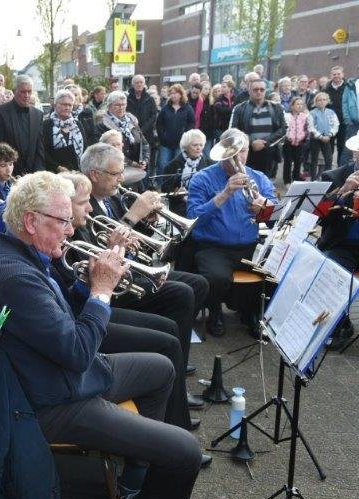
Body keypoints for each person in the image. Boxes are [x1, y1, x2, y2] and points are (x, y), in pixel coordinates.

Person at [0, 170, 201, 499]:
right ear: (31, 221)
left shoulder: (23, 255)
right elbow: (78, 350)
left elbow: (60, 316)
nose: (70, 230)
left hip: (66, 375)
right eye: (62, 221)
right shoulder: (15, 274)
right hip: (53, 401)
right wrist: (101, 291)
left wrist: (83, 287)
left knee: (162, 368)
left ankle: (133, 480)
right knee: (187, 451)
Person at [80, 143, 209, 418]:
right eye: (115, 173)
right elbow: (96, 256)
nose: (121, 179)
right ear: (94, 174)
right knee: (182, 294)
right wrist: (132, 217)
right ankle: (175, 395)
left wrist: (144, 223)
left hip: (128, 271)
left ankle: (178, 371)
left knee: (196, 285)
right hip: (113, 287)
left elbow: (132, 245)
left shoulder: (112, 197)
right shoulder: (84, 205)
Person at [186, 128, 278, 338]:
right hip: (214, 247)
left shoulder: (259, 177)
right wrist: (225, 193)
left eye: (243, 151)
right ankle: (215, 310)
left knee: (278, 270)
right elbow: (192, 219)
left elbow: (277, 210)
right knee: (215, 277)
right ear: (222, 152)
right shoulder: (202, 178)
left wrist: (266, 207)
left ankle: (252, 312)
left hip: (249, 245)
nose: (238, 158)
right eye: (233, 152)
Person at [316, 133, 359, 349]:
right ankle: (340, 324)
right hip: (343, 244)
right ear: (355, 152)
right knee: (331, 272)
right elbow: (320, 217)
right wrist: (343, 192)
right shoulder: (334, 176)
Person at [229, 78, 287, 178]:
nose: (259, 92)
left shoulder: (277, 107)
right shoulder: (239, 108)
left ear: (266, 91)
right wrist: (251, 142)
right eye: (255, 89)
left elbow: (284, 129)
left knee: (266, 184)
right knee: (247, 182)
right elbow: (233, 131)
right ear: (249, 91)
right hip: (247, 153)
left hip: (269, 152)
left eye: (262, 89)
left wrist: (265, 143)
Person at [0, 75, 45, 176]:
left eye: (29, 91)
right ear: (14, 91)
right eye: (23, 92)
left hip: (32, 175)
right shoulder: (0, 113)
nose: (27, 95)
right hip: (8, 174)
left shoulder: (38, 114)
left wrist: (39, 173)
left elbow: (39, 147)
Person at [92, 91, 150, 178]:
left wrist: (144, 160)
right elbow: (106, 150)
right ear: (109, 106)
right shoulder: (102, 124)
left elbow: (144, 143)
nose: (121, 107)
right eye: (117, 105)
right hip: (113, 171)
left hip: (136, 169)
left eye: (123, 104)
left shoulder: (132, 121)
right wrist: (131, 163)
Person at [161, 129, 212, 216]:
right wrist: (177, 192)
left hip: (203, 205)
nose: (198, 148)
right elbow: (165, 190)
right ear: (186, 146)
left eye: (201, 145)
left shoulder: (209, 164)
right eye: (195, 145)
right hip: (180, 207)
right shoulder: (172, 166)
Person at [43, 89, 90, 172]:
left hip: (77, 172)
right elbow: (43, 151)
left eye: (70, 105)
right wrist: (57, 167)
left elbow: (85, 148)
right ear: (55, 105)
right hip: (54, 173)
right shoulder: (47, 125)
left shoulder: (77, 124)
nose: (67, 107)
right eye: (64, 104)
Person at [156, 84, 195, 175]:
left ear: (181, 94)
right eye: (171, 93)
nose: (173, 95)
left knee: (177, 166)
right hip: (166, 144)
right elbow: (159, 124)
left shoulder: (187, 108)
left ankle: (174, 186)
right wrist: (162, 136)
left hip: (181, 143)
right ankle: (161, 186)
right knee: (163, 164)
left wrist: (186, 135)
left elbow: (192, 123)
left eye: (175, 93)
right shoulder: (165, 108)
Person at [126, 75, 158, 168]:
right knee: (133, 160)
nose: (139, 84)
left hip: (146, 134)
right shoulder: (128, 99)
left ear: (144, 84)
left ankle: (145, 182)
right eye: (137, 82)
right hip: (131, 134)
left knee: (145, 162)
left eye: (141, 82)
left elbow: (153, 116)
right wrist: (134, 129)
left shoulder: (150, 99)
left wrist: (142, 130)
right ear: (133, 84)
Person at [308, 92, 340, 179]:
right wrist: (320, 136)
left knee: (329, 159)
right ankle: (313, 178)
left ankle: (327, 177)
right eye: (319, 100)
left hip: (327, 138)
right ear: (316, 102)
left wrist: (330, 135)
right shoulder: (312, 113)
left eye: (324, 100)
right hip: (316, 138)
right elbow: (311, 127)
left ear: (327, 101)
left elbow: (335, 125)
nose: (322, 101)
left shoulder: (331, 112)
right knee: (314, 159)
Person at [283, 96, 310, 184]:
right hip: (288, 142)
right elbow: (285, 128)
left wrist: (303, 137)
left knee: (298, 162)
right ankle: (287, 180)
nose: (299, 106)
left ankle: (296, 178)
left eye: (301, 104)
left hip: (300, 142)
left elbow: (306, 128)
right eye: (297, 104)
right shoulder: (287, 116)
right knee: (288, 162)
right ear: (292, 106)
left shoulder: (304, 116)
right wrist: (288, 137)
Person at [325, 66, 347, 162]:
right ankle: (328, 170)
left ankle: (339, 169)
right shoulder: (326, 89)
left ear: (343, 74)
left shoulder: (348, 88)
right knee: (329, 147)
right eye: (334, 74)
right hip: (330, 123)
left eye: (338, 74)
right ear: (331, 75)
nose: (336, 76)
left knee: (342, 147)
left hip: (344, 122)